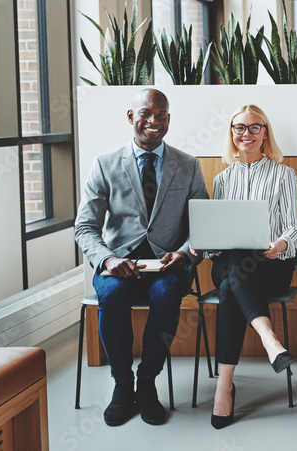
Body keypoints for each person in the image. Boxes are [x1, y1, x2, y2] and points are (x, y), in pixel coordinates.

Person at [75, 88, 208, 426]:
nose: (154, 121)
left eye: (161, 115)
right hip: (119, 265)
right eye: (146, 113)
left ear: (168, 119)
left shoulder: (189, 166)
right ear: (131, 116)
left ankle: (147, 381)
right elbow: (85, 228)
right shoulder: (105, 165)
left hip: (168, 267)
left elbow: (203, 227)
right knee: (114, 296)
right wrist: (106, 260)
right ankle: (123, 384)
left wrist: (182, 253)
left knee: (165, 294)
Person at [202, 105, 297, 429]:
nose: (246, 134)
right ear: (231, 134)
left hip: (268, 265)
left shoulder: (284, 174)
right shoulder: (221, 180)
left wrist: (281, 244)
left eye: (254, 127)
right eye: (239, 127)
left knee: (232, 285)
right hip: (227, 261)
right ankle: (269, 339)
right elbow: (216, 235)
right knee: (233, 259)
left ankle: (224, 386)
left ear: (265, 133)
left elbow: (293, 227)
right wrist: (203, 241)